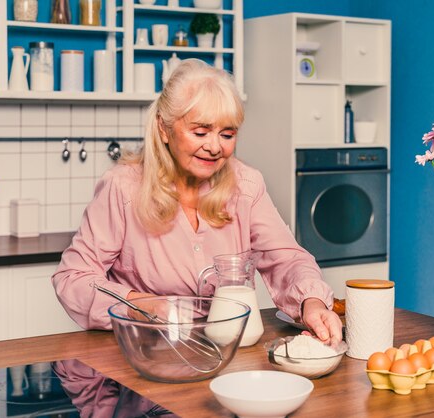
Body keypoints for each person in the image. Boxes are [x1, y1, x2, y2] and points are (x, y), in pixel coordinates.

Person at [51, 59, 342, 344]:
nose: (215, 147)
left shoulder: (246, 185)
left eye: (227, 134)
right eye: (200, 132)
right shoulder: (123, 188)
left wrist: (311, 302)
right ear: (164, 129)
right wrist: (141, 304)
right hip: (146, 350)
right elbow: (73, 278)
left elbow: (287, 260)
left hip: (230, 349)